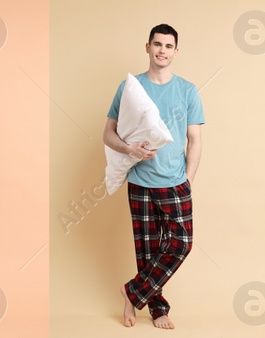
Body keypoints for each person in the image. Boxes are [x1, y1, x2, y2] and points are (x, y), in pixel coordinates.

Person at [107, 24, 205, 330]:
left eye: (168, 45)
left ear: (176, 51)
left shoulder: (188, 90)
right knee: (147, 250)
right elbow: (108, 134)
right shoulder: (130, 88)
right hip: (140, 182)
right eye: (157, 44)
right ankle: (158, 309)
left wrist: (187, 179)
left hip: (175, 182)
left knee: (181, 243)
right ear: (147, 47)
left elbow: (195, 140)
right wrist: (129, 149)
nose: (162, 50)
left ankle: (131, 291)